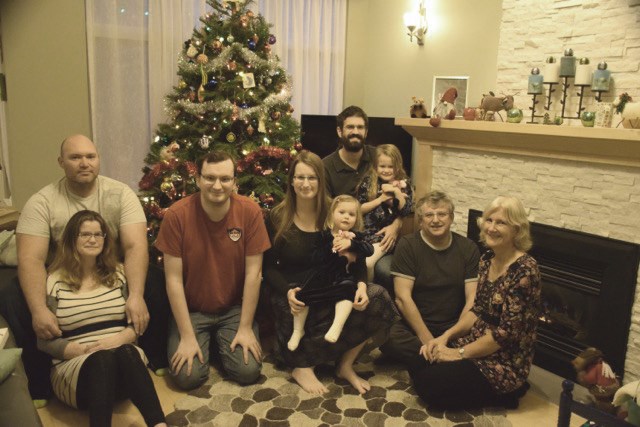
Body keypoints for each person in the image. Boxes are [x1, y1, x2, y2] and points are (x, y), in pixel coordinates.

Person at [0, 134, 168, 403]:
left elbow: (136, 247)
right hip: (60, 276)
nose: (84, 163)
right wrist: (40, 310)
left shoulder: (120, 193)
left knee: (156, 281)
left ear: (98, 160)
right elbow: (30, 259)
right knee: (11, 296)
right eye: (75, 157)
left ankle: (155, 357)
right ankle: (39, 382)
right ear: (61, 162)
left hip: (109, 271)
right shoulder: (41, 202)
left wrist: (135, 295)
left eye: (90, 156)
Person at [264, 150, 399, 395]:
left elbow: (356, 253)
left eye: (312, 177)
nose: (306, 184)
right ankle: (303, 366)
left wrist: (360, 284)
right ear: (291, 181)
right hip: (293, 294)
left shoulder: (336, 211)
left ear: (321, 181)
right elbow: (268, 267)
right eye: (300, 177)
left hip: (332, 286)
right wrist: (287, 292)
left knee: (376, 295)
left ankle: (344, 365)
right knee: (299, 324)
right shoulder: (276, 217)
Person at [410, 196, 541, 410]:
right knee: (419, 358)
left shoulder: (525, 271)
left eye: (501, 222)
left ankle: (509, 391)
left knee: (430, 385)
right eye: (489, 220)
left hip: (502, 360)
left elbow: (505, 335)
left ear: (517, 230)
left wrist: (457, 354)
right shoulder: (487, 259)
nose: (491, 228)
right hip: (475, 343)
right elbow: (475, 311)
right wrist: (444, 338)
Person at [38, 210, 166, 427]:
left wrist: (116, 340)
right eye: (85, 234)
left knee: (126, 351)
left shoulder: (120, 274)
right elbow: (44, 340)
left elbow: (138, 324)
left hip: (124, 369)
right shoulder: (54, 281)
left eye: (98, 234)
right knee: (101, 360)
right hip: (76, 376)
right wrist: (84, 351)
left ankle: (159, 424)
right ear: (71, 239)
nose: (92, 239)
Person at [155, 150, 270, 390]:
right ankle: (201, 341)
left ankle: (219, 343)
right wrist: (186, 336)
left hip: (234, 310)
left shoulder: (250, 212)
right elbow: (173, 281)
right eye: (209, 178)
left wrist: (246, 327)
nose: (217, 185)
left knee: (247, 371)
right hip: (193, 311)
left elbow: (254, 275)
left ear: (234, 181)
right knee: (188, 377)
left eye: (225, 179)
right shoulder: (177, 215)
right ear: (198, 179)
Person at [380, 191, 480, 366]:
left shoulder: (468, 247)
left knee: (484, 337)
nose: (436, 220)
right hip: (415, 324)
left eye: (442, 214)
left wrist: (450, 335)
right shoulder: (407, 245)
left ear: (451, 218)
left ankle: (432, 357)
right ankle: (443, 355)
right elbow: (403, 298)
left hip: (454, 325)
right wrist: (428, 341)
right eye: (429, 215)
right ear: (420, 220)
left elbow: (472, 299)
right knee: (387, 338)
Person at [322, 106, 403, 290]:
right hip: (342, 236)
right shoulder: (326, 166)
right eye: (350, 127)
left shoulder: (379, 157)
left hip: (379, 237)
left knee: (385, 270)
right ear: (339, 131)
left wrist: (396, 225)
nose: (355, 132)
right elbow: (327, 211)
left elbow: (403, 194)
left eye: (360, 127)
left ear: (366, 131)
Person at [288, 195, 374, 350]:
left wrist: (352, 243)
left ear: (357, 219)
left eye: (351, 214)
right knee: (302, 295)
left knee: (348, 290)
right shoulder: (323, 235)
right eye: (342, 212)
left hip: (342, 279)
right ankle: (297, 330)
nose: (346, 217)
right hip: (321, 277)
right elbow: (314, 258)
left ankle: (337, 326)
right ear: (332, 214)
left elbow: (369, 251)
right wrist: (331, 247)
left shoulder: (357, 238)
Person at [356, 144, 413, 284]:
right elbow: (358, 209)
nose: (386, 170)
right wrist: (380, 199)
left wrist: (398, 194)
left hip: (382, 238)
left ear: (398, 166)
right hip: (362, 234)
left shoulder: (404, 185)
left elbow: (405, 211)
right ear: (376, 166)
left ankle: (369, 292)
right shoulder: (369, 181)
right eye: (382, 166)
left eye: (391, 166)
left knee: (367, 263)